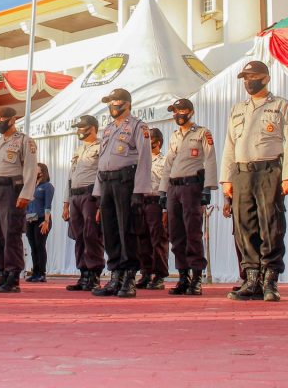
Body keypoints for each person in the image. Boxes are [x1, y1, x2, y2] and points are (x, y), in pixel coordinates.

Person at [220, 61, 288, 302]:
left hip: (269, 171)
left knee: (271, 225)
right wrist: (226, 179)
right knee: (245, 226)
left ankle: (270, 280)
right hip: (242, 173)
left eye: (252, 77)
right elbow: (229, 145)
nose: (248, 82)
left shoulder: (281, 106)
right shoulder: (237, 109)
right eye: (245, 78)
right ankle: (251, 278)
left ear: (265, 78)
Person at [92, 88, 152, 299]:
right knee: (110, 231)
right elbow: (101, 161)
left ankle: (128, 276)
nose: (113, 105)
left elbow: (145, 159)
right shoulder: (107, 129)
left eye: (117, 101)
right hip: (107, 182)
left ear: (127, 103)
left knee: (127, 230)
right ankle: (115, 274)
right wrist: (98, 193)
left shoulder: (138, 126)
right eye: (110, 102)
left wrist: (140, 191)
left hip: (126, 181)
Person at [161, 98, 219, 296]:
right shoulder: (174, 136)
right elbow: (168, 164)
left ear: (191, 112)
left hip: (192, 187)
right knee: (176, 234)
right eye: (175, 111)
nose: (178, 114)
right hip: (174, 188)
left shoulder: (202, 133)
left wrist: (208, 188)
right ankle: (183, 277)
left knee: (192, 233)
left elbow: (210, 159)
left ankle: (196, 278)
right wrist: (162, 191)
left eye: (182, 110)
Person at [0, 106, 38, 294]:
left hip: (12, 189)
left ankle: (13, 275)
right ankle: (2, 272)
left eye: (2, 118)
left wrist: (26, 194)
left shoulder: (24, 141)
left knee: (11, 233)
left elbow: (31, 169)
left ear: (12, 120)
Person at [63, 115, 104, 292]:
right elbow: (70, 177)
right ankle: (83, 274)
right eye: (78, 127)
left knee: (91, 235)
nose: (79, 131)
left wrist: (100, 202)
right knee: (79, 236)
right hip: (75, 196)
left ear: (92, 128)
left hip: (90, 194)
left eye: (82, 127)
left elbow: (102, 174)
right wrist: (66, 203)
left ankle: (94, 275)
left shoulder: (102, 146)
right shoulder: (78, 150)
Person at [135, 127, 169, 291]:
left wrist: (165, 209)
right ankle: (146, 272)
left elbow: (167, 185)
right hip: (141, 201)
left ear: (158, 142)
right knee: (142, 240)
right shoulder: (141, 160)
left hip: (157, 201)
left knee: (158, 240)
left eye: (151, 140)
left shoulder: (165, 160)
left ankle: (159, 275)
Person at [25, 163, 53, 282]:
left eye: (35, 169)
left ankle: (42, 273)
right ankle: (35, 272)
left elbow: (48, 205)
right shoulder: (31, 186)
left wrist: (46, 221)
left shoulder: (47, 186)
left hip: (42, 219)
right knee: (33, 247)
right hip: (30, 219)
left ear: (42, 172)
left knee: (40, 246)